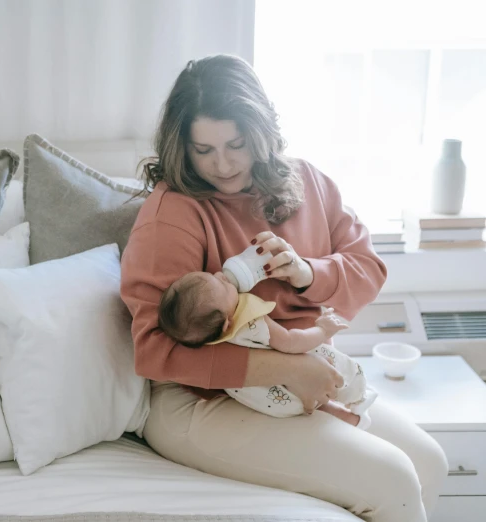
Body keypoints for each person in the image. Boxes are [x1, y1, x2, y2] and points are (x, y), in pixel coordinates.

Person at [120, 55, 448, 522]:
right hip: (203, 400)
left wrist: (309, 273)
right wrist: (285, 367)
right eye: (203, 149)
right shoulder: (173, 212)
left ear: (262, 131)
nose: (223, 164)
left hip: (305, 380)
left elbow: (368, 268)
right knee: (392, 479)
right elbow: (153, 349)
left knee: (430, 464)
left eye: (236, 143)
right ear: (182, 147)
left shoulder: (308, 182)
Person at [157, 269, 376, 429]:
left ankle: (347, 419)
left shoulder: (208, 339)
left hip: (267, 401)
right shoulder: (251, 322)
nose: (220, 275)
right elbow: (291, 343)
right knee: (334, 368)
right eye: (223, 285)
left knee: (314, 406)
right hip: (298, 379)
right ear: (227, 323)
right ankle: (357, 398)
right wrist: (322, 330)